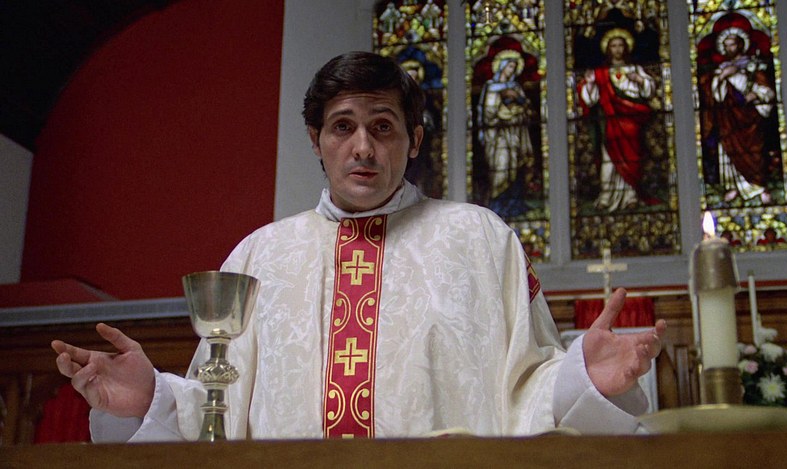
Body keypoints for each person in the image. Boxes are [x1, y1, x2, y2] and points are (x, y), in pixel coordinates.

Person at [52, 51, 665, 441]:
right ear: (315, 139)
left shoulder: (481, 239)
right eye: (343, 126)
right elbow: (221, 411)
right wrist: (149, 397)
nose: (363, 148)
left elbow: (525, 388)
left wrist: (582, 378)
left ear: (414, 140)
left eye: (383, 126)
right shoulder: (259, 257)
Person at [578, 28, 657, 213]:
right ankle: (606, 196)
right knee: (608, 159)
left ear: (626, 47)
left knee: (631, 157)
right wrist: (590, 83)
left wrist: (639, 80)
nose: (617, 49)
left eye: (621, 45)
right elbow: (590, 100)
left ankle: (631, 196)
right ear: (608, 49)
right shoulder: (600, 73)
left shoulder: (635, 69)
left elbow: (649, 90)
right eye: (613, 46)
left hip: (631, 121)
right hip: (610, 121)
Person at [700, 27, 775, 204]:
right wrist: (722, 77)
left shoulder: (753, 65)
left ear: (740, 45)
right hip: (728, 118)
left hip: (749, 117)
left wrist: (756, 94)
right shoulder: (722, 69)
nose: (729, 48)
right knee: (728, 149)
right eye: (726, 45)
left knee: (754, 150)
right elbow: (715, 95)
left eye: (732, 44)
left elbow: (768, 91)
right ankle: (733, 186)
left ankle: (759, 185)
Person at [477, 48, 536, 217]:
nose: (512, 70)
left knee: (515, 166)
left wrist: (518, 105)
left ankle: (515, 204)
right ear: (502, 66)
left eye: (514, 68)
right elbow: (489, 112)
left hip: (515, 133)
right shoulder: (491, 87)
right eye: (510, 66)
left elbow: (526, 108)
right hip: (498, 136)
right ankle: (497, 205)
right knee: (501, 167)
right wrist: (506, 108)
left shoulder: (516, 87)